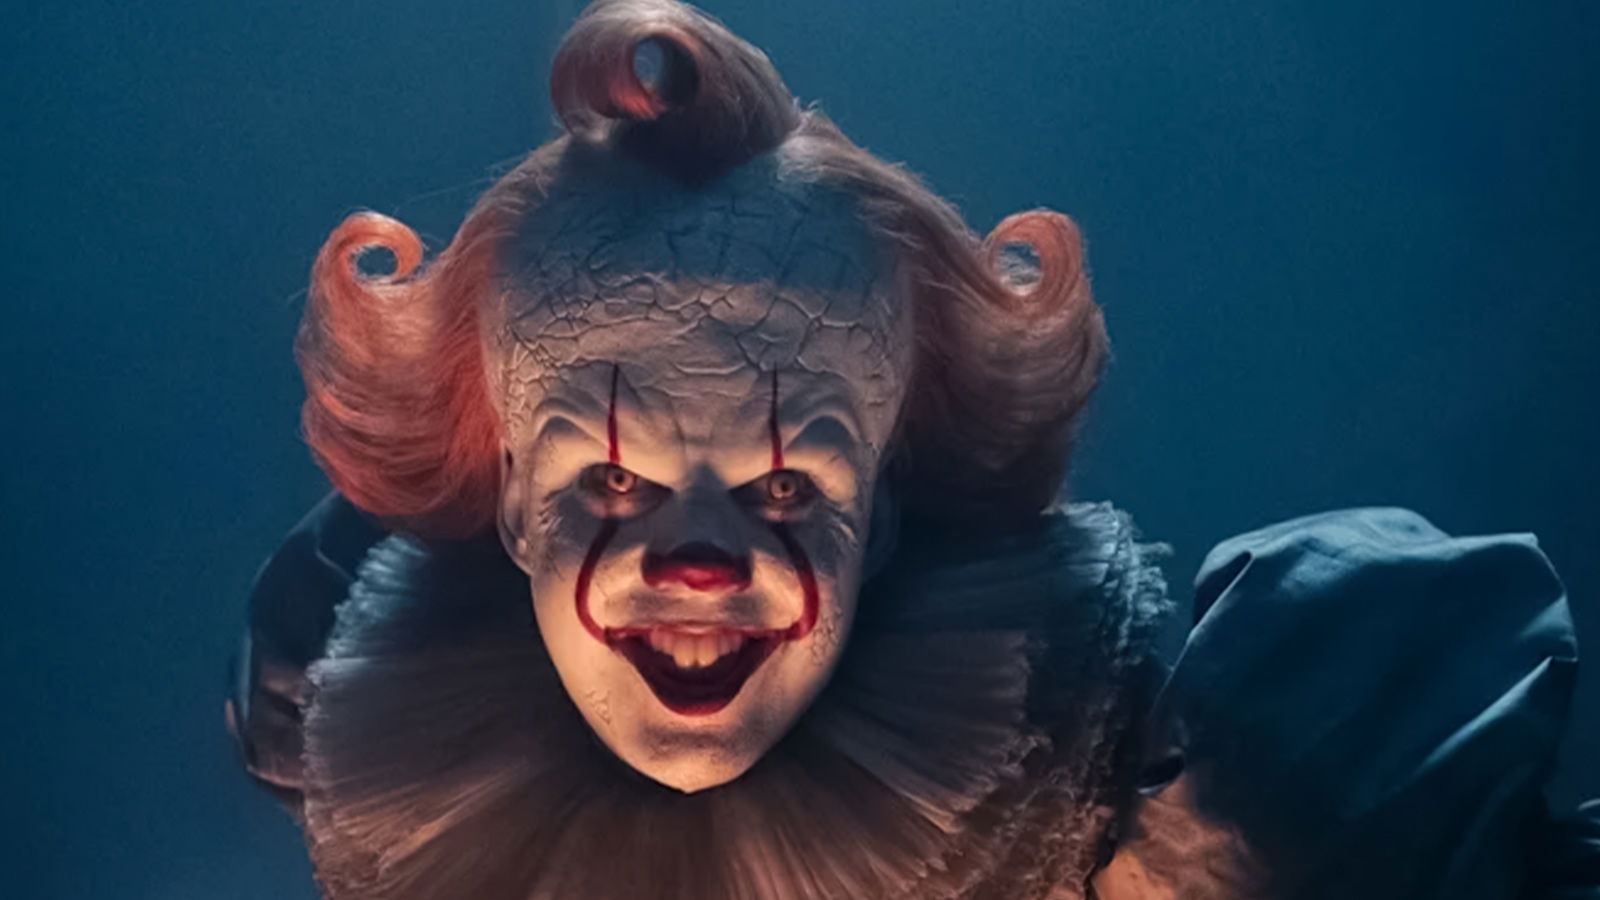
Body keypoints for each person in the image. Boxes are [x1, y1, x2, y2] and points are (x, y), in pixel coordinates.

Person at [226, 2, 1600, 897]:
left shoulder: (1229, 813)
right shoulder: (362, 742)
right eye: (613, 480)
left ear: (880, 513)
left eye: (785, 483)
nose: (699, 565)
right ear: (516, 511)